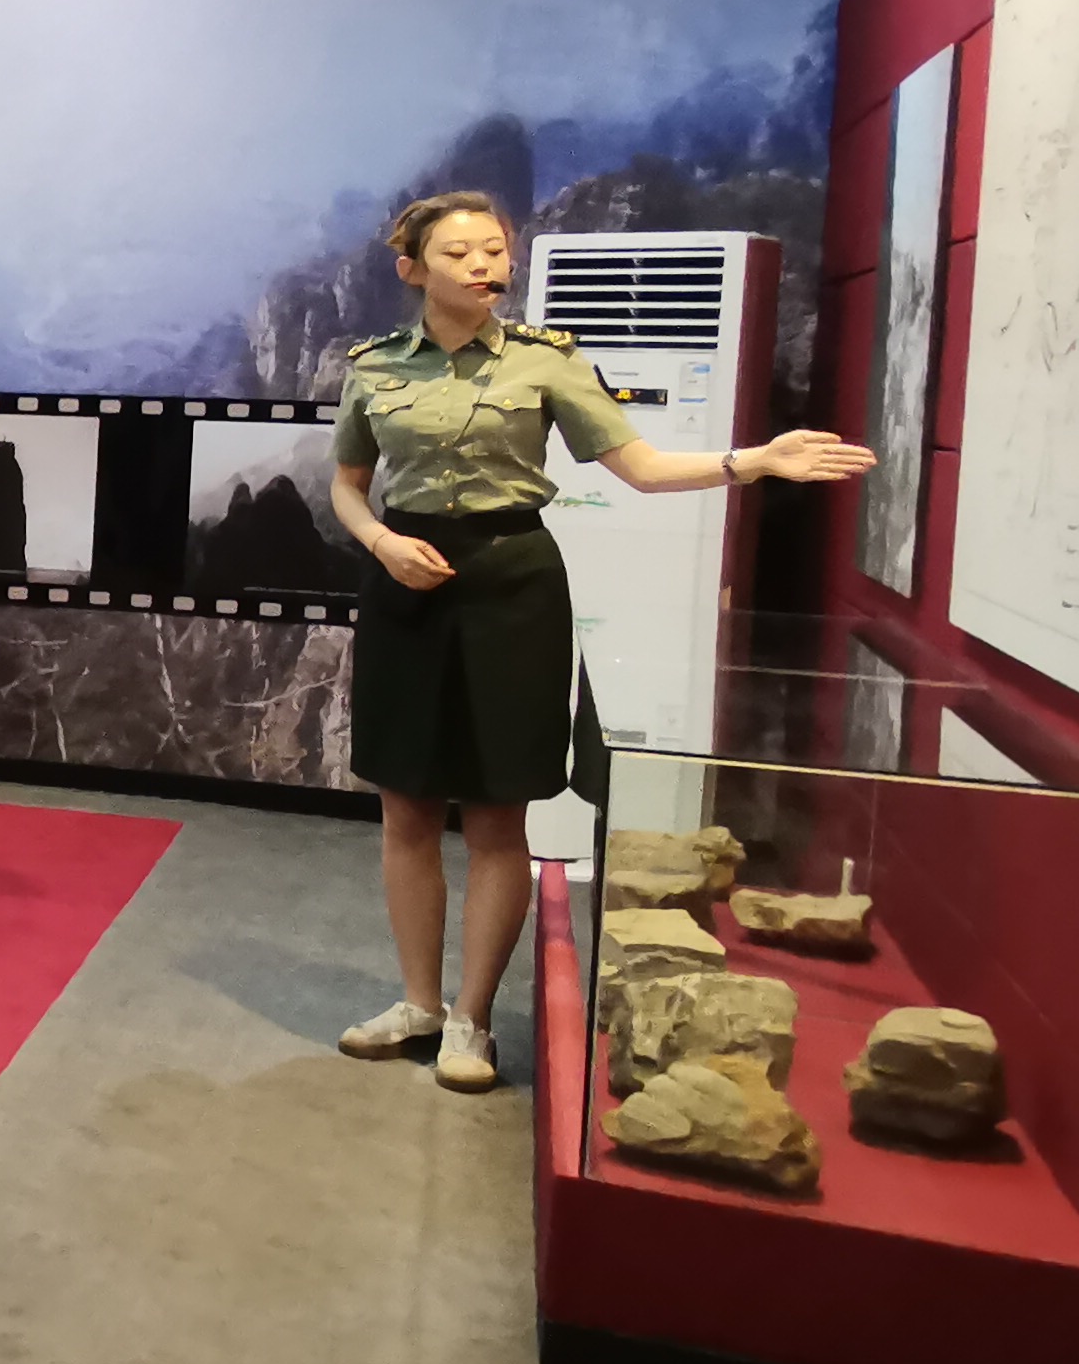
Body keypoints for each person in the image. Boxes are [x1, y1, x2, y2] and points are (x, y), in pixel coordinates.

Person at [327, 191, 872, 1092]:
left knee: (499, 811)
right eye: (459, 253)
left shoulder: (547, 360)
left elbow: (642, 468)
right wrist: (382, 542)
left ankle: (471, 1020)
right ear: (412, 269)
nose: (484, 266)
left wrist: (752, 460)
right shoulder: (375, 367)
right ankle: (418, 1003)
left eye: (495, 250)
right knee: (407, 808)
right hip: (405, 586)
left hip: (514, 586)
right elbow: (349, 486)